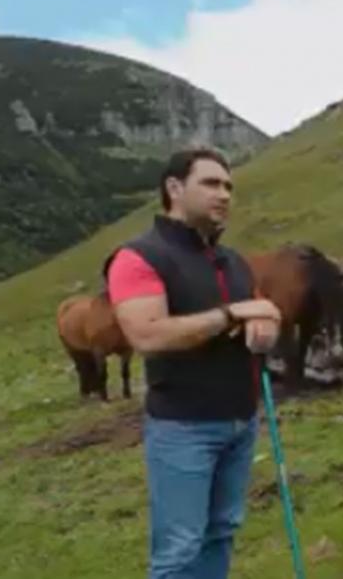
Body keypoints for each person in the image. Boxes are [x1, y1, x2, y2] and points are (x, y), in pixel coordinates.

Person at [105, 147, 283, 579]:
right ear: (174, 188)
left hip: (241, 422)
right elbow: (147, 335)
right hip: (183, 428)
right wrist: (229, 316)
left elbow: (264, 314)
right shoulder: (139, 258)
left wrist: (266, 327)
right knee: (179, 549)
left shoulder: (233, 260)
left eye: (228, 187)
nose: (223, 195)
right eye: (211, 184)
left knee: (221, 531)